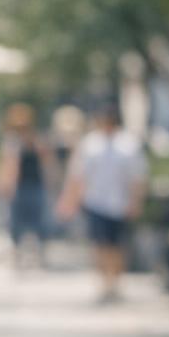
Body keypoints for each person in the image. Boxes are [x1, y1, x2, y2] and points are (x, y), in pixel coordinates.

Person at [56, 104, 147, 302]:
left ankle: (115, 282)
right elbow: (77, 176)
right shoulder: (90, 144)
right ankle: (104, 283)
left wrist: (135, 201)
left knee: (117, 246)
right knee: (99, 244)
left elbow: (137, 178)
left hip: (120, 204)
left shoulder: (128, 145)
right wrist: (69, 201)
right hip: (95, 202)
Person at [0, 103, 57, 269]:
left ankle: (39, 254)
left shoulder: (36, 139)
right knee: (15, 223)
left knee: (39, 222)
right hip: (18, 187)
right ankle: (17, 254)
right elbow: (7, 165)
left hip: (34, 185)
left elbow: (47, 162)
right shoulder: (10, 141)